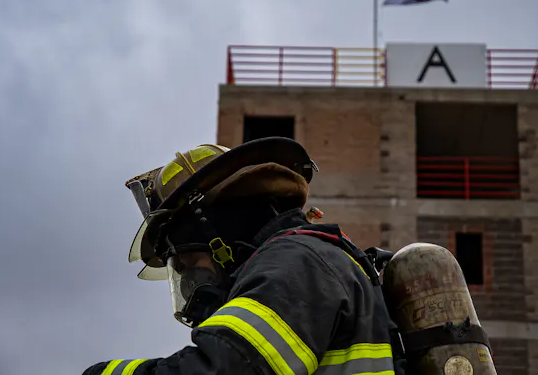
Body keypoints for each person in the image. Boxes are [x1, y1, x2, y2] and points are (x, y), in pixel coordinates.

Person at [82, 137, 398, 375]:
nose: (193, 285)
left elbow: (223, 368)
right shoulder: (309, 258)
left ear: (217, 235)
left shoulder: (295, 262)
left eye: (189, 264)